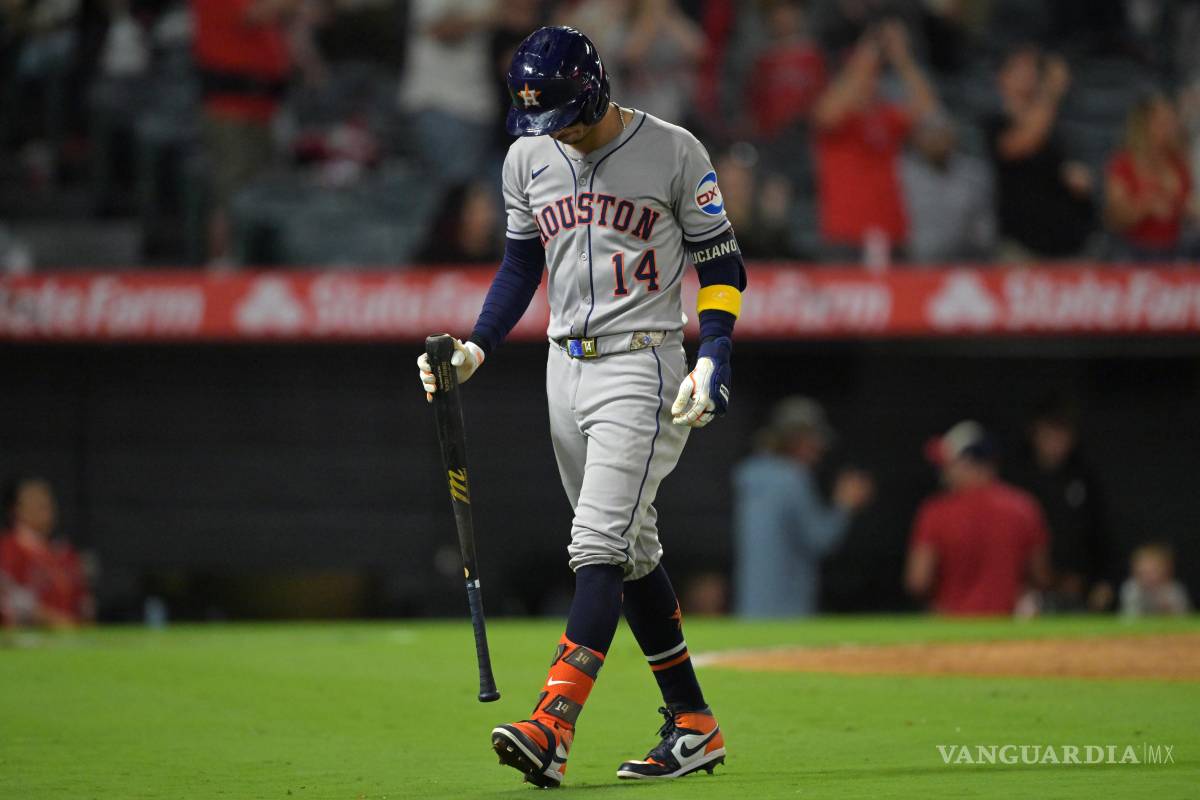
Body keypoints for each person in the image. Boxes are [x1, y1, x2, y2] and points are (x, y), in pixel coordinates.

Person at [416, 27, 744, 787]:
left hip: (642, 362)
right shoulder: (526, 156)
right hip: (563, 368)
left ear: (595, 93)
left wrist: (714, 352)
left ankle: (552, 725)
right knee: (633, 552)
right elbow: (520, 263)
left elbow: (722, 262)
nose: (551, 130)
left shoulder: (673, 150)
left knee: (596, 543)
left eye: (560, 114)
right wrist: (477, 347)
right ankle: (694, 724)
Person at [732, 397, 873, 617]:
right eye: (814, 440)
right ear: (794, 439)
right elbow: (820, 540)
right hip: (788, 613)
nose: (820, 448)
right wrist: (844, 504)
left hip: (750, 609)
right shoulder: (793, 478)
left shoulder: (750, 475)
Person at [812, 20, 938, 262]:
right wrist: (863, 58)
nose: (868, 79)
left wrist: (903, 60)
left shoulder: (886, 115)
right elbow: (827, 114)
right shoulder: (835, 117)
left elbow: (929, 111)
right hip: (844, 234)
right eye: (862, 73)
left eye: (873, 73)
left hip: (892, 230)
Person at [192, 0, 299, 267]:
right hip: (231, 109)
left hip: (262, 107)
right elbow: (255, 14)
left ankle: (249, 263)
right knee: (232, 192)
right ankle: (221, 266)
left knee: (259, 192)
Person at [905, 421, 1051, 616]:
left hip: (950, 625)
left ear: (968, 463)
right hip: (1008, 627)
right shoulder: (1024, 507)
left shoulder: (935, 512)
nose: (943, 472)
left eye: (948, 464)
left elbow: (918, 581)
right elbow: (1041, 577)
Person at [984, 45, 1094, 260]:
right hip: (1022, 249)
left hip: (1069, 246)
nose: (1029, 75)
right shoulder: (995, 122)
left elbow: (1073, 169)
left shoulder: (1056, 122)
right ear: (1002, 77)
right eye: (1020, 69)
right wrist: (1051, 91)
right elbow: (1024, 142)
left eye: (1033, 69)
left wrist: (1079, 178)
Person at [1008, 398, 1112, 612]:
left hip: (1076, 589)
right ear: (1034, 434)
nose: (1056, 443)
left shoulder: (1084, 478)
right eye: (1049, 434)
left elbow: (1099, 532)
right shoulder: (1016, 481)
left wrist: (1104, 580)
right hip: (1028, 590)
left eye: (1062, 435)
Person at [399, 0, 500, 184]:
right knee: (453, 191)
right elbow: (439, 29)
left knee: (475, 194)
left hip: (481, 109)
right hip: (442, 106)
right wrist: (492, 15)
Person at [1104, 93, 1194, 261]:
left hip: (1173, 248)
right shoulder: (1123, 164)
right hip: (1133, 249)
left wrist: (1185, 208)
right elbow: (1114, 219)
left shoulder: (1178, 163)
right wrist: (1146, 205)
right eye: (1162, 123)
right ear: (1144, 126)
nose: (1169, 129)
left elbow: (1188, 207)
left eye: (1171, 122)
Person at [900, 113, 995, 262]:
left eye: (941, 134)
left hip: (965, 258)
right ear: (917, 139)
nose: (936, 140)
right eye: (930, 134)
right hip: (916, 259)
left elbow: (984, 219)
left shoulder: (973, 171)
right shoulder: (902, 172)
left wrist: (983, 250)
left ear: (953, 137)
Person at [0, 476, 92, 628]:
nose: (46, 506)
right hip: (25, 637)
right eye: (36, 501)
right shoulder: (7, 548)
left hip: (71, 636)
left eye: (47, 501)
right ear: (16, 509)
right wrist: (51, 620)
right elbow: (7, 596)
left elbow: (82, 598)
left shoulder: (64, 551)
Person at [417, 180, 503, 263]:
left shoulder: (502, 257)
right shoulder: (430, 260)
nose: (486, 218)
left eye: (487, 210)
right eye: (476, 211)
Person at [1119, 543, 1191, 617]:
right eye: (1144, 572)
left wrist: (1168, 609)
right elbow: (1129, 616)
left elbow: (1183, 616)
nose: (1148, 577)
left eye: (1154, 571)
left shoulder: (1173, 590)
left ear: (1166, 571)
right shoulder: (1131, 589)